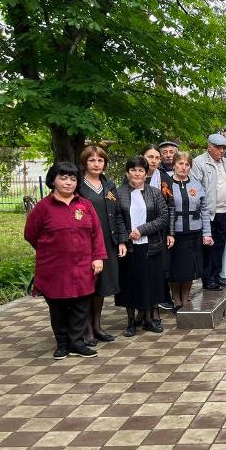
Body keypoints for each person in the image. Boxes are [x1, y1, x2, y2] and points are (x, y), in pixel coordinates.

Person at [25, 162, 106, 359]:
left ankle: (77, 343)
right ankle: (62, 344)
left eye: (72, 179)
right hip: (54, 268)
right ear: (53, 180)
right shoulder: (43, 208)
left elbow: (96, 234)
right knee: (58, 307)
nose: (68, 182)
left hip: (83, 266)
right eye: (63, 178)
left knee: (80, 306)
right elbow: (30, 234)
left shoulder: (85, 206)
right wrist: (51, 250)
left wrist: (98, 258)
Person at [116, 156, 172, 336]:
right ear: (127, 172)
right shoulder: (119, 193)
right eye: (133, 170)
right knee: (130, 283)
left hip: (151, 245)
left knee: (151, 283)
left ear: (146, 173)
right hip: (129, 247)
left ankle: (149, 320)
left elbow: (163, 218)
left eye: (141, 170)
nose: (137, 173)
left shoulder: (154, 192)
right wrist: (124, 238)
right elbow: (116, 218)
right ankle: (131, 322)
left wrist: (142, 230)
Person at [78, 146, 126, 346]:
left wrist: (122, 239)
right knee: (88, 285)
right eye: (92, 160)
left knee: (102, 286)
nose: (97, 164)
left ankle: (97, 326)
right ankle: (86, 328)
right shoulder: (79, 186)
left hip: (108, 241)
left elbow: (118, 214)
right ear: (84, 163)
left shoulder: (109, 185)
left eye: (100, 160)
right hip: (85, 243)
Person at [169, 151, 213, 311]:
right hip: (174, 233)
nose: (184, 167)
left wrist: (207, 233)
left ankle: (186, 298)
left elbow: (204, 209)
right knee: (175, 268)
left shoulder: (196, 184)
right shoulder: (166, 183)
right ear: (174, 165)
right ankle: (176, 299)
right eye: (180, 164)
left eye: (187, 164)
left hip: (194, 231)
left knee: (190, 268)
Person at [191, 133, 226, 290]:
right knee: (208, 246)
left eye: (223, 148)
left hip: (223, 210)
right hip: (207, 212)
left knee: (220, 245)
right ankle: (208, 279)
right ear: (209, 147)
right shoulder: (199, 162)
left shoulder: (225, 162)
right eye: (218, 148)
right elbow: (196, 189)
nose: (221, 151)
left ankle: (216, 275)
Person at [143, 143, 176, 314]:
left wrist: (171, 232)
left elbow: (171, 205)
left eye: (157, 157)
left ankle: (163, 296)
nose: (154, 160)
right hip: (139, 229)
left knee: (162, 265)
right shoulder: (134, 176)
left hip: (161, 229)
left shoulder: (164, 178)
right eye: (150, 157)